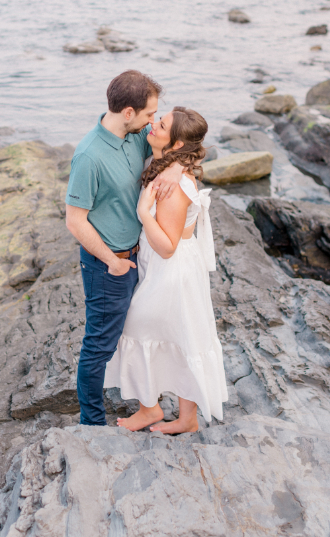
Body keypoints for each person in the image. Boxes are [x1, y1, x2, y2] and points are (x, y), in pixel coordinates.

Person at [65, 70, 185, 427]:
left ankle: (147, 403)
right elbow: (75, 221)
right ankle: (92, 423)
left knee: (137, 334)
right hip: (109, 265)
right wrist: (111, 262)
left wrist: (177, 168)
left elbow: (179, 145)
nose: (154, 121)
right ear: (129, 112)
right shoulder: (88, 156)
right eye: (150, 114)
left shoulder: (135, 137)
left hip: (140, 256)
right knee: (98, 347)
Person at [105, 106, 227, 434]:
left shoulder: (171, 186)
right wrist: (175, 165)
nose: (152, 126)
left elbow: (168, 246)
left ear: (173, 145)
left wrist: (145, 213)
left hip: (171, 271)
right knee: (179, 337)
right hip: (164, 268)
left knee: (136, 330)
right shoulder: (167, 164)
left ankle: (151, 410)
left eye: (160, 125)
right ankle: (183, 418)